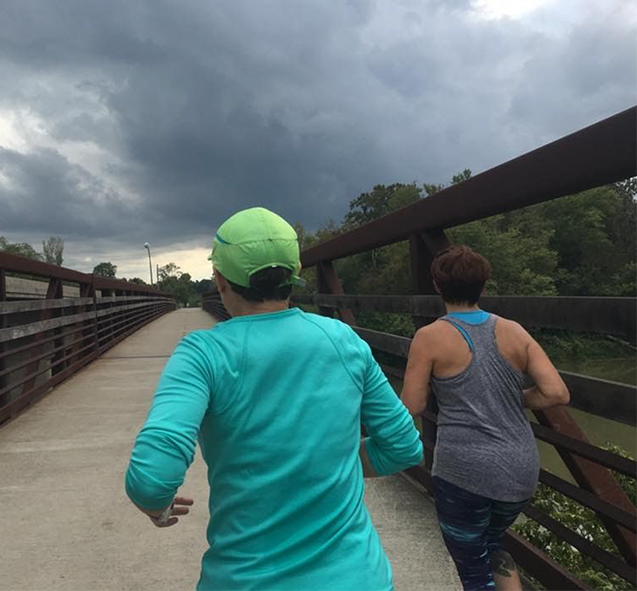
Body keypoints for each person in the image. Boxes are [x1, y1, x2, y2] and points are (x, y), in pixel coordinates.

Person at [125, 207, 423, 591]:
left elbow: (151, 479)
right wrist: (331, 460)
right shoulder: (343, 339)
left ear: (220, 280)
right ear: (293, 274)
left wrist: (156, 506)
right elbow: (403, 447)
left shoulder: (202, 354)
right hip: (358, 579)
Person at [400, 245, 570, 591]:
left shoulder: (430, 337)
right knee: (492, 547)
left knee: (474, 573)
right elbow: (556, 393)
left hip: (464, 474)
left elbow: (413, 406)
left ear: (437, 286)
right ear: (484, 285)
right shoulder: (515, 331)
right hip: (520, 472)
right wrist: (511, 397)